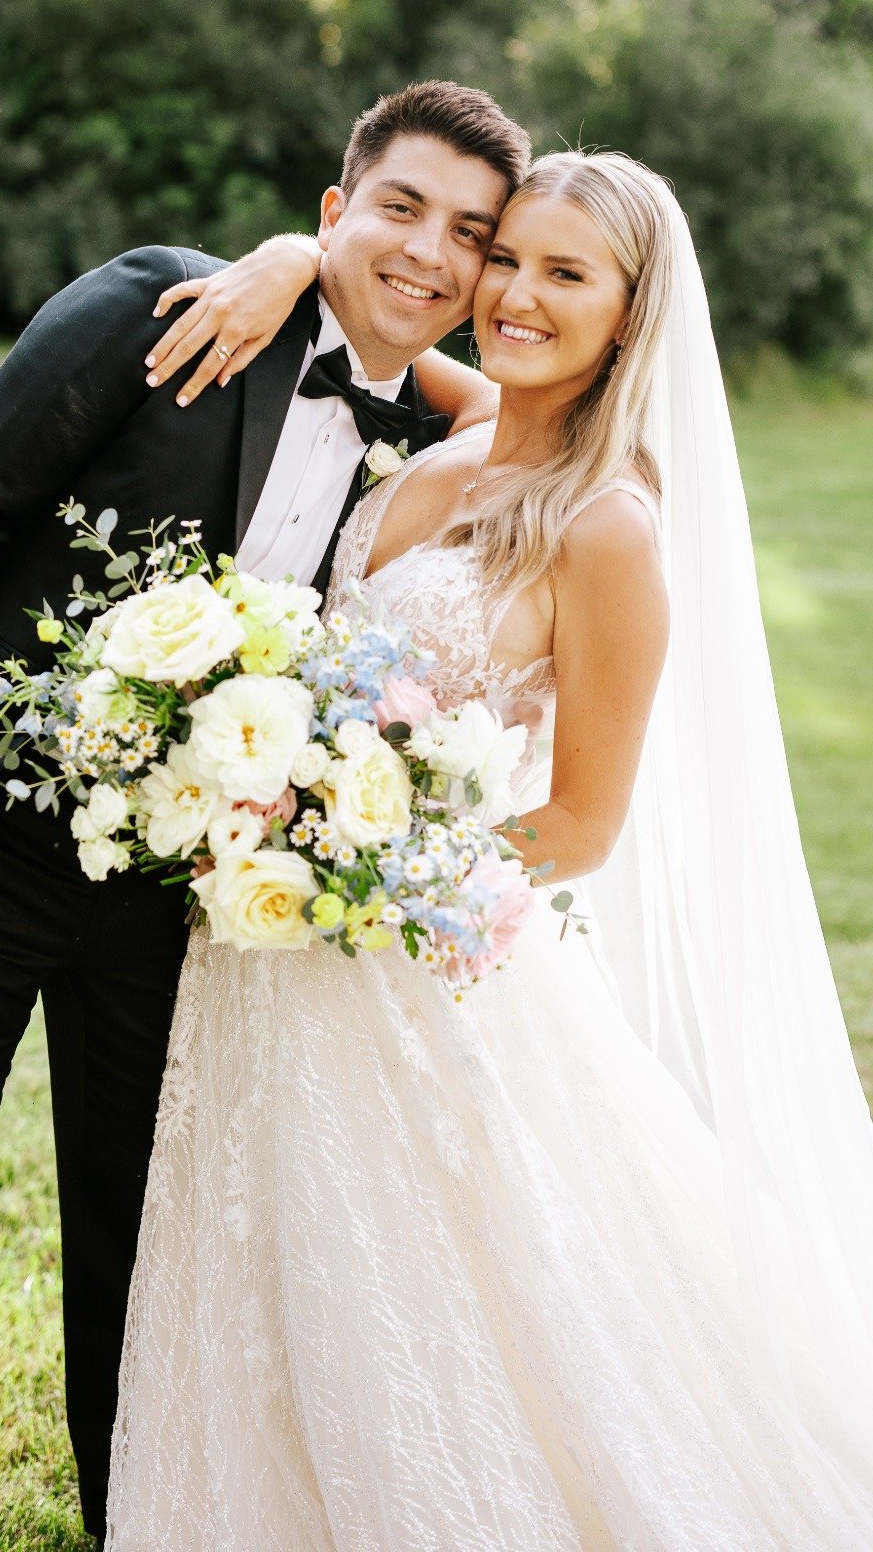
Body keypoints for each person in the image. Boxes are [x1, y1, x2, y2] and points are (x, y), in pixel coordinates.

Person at [0, 80, 532, 1552]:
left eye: (472, 236)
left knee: (140, 1230)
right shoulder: (164, 310)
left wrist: (297, 267)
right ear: (336, 212)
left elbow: (537, 397)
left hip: (181, 891)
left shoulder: (433, 440)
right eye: (398, 210)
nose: (430, 256)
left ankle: (129, 1508)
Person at [105, 150, 873, 1548]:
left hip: (411, 961)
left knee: (440, 1299)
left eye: (563, 274)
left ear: (631, 313)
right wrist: (292, 251)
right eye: (506, 256)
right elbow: (364, 316)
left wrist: (357, 850)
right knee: (279, 1263)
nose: (511, 292)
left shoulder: (609, 524)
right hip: (271, 941)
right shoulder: (463, 425)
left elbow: (581, 823)